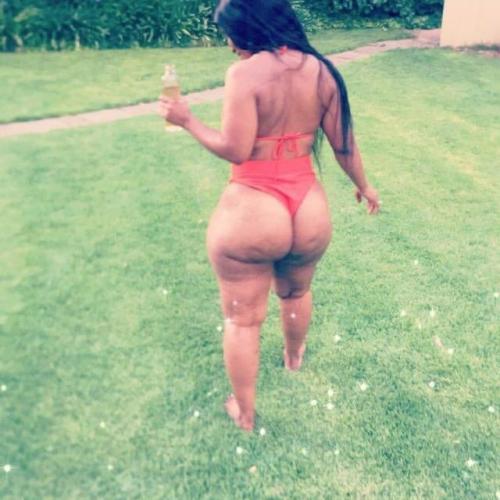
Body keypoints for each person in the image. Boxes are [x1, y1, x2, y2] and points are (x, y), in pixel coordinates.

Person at [158, 0, 380, 432]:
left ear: (252, 28)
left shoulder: (244, 74)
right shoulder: (322, 70)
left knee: (243, 319)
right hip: (308, 208)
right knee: (296, 293)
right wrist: (365, 186)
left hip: (254, 208)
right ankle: (293, 358)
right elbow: (344, 144)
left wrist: (187, 120)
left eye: (231, 33)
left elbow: (235, 149)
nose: (229, 44)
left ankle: (244, 412)